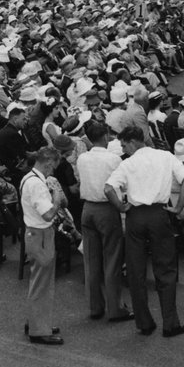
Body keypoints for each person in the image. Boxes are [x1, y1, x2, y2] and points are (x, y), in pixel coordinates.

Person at [104, 125, 184, 338]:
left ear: (132, 142)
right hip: (159, 214)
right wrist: (179, 207)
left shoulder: (128, 163)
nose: (124, 149)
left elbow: (108, 188)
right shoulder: (165, 156)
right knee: (166, 268)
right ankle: (170, 323)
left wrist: (120, 206)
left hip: (136, 216)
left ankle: (144, 322)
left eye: (124, 145)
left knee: (136, 270)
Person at [76, 120, 134, 322]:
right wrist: (122, 206)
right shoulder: (114, 159)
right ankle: (115, 307)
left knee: (91, 261)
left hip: (87, 208)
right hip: (107, 209)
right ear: (105, 137)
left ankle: (95, 306)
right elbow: (122, 185)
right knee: (112, 258)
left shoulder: (82, 158)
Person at [21, 145, 66, 345]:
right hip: (40, 234)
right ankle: (39, 330)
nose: (52, 171)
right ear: (48, 163)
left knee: (38, 282)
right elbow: (48, 213)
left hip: (33, 232)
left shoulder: (29, 177)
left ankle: (35, 321)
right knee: (42, 284)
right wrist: (56, 199)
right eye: (53, 167)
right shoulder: (38, 185)